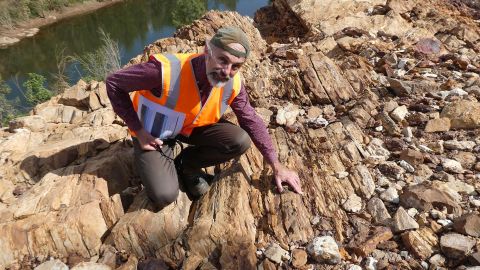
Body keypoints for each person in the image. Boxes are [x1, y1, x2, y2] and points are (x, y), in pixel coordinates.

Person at [106, 26, 302, 210]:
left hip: (189, 128)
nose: (226, 72)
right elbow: (114, 83)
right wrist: (138, 131)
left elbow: (249, 118)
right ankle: (156, 161)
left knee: (239, 141)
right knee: (164, 195)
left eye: (235, 66)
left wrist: (276, 165)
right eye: (222, 60)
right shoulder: (164, 71)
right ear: (207, 50)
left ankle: (186, 164)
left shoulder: (233, 83)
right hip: (153, 134)